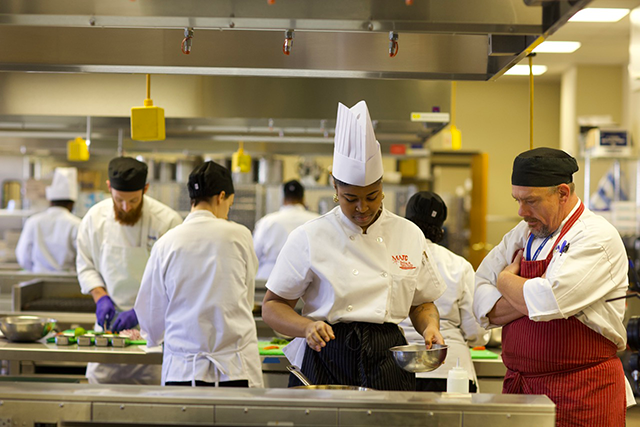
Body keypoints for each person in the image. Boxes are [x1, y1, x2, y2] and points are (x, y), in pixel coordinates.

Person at [262, 100, 446, 391]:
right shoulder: (309, 235)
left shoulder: (408, 233)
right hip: (327, 353)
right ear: (335, 189)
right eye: (351, 198)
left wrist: (430, 327)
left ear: (382, 186)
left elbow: (422, 302)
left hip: (388, 358)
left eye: (372, 196)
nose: (363, 207)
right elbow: (272, 306)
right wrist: (306, 327)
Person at [473, 147, 634, 426]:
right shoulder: (525, 233)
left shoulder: (595, 237)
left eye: (531, 201)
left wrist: (506, 280)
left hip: (582, 394)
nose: (522, 212)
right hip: (522, 392)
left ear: (562, 193)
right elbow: (478, 297)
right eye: (518, 200)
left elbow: (549, 302)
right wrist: (526, 296)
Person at [135, 161, 263, 388]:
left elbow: (151, 312)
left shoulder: (166, 243)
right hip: (234, 371)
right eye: (229, 205)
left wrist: (156, 338)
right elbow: (248, 296)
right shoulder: (239, 235)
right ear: (221, 197)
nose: (227, 212)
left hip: (183, 371)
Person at [76, 156, 183, 385]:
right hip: (108, 328)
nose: (126, 207)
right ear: (109, 188)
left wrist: (142, 312)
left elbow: (176, 278)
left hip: (153, 332)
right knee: (98, 403)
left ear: (146, 189)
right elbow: (86, 265)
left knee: (150, 405)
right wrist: (101, 297)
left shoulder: (168, 221)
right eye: (119, 200)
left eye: (134, 200)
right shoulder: (94, 219)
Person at [399, 191, 489, 392]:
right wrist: (478, 340)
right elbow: (475, 330)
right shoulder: (459, 265)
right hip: (450, 368)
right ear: (441, 226)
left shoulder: (395, 261)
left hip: (400, 365)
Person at [16, 167, 81, 273]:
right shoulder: (76, 224)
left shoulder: (33, 221)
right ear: (72, 204)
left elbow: (23, 256)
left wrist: (36, 268)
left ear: (50, 201)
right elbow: (82, 258)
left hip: (37, 277)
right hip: (67, 280)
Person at [253, 180, 319, 280]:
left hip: (268, 278)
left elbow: (254, 255)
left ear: (283, 199)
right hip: (305, 279)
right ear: (303, 199)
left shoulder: (267, 221)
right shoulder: (316, 220)